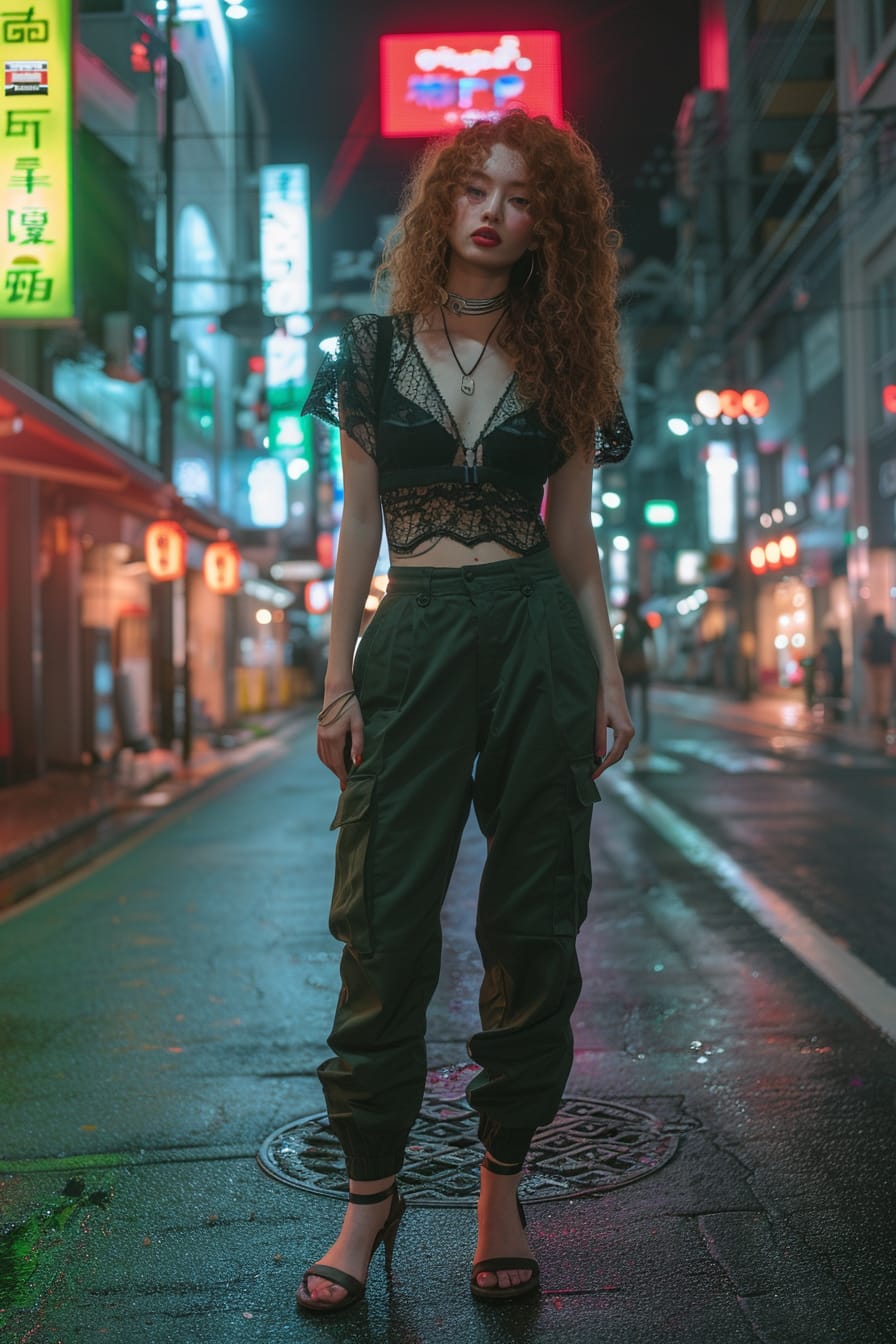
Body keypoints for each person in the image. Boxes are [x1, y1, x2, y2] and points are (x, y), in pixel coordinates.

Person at [295, 109, 634, 1313]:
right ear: (442, 202)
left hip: (536, 630)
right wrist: (335, 677)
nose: (494, 211)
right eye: (476, 189)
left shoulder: (567, 354)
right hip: (415, 637)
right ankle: (369, 1196)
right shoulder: (371, 349)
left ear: (550, 226)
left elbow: (575, 541)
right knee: (382, 921)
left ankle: (499, 1184)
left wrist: (605, 669)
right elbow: (353, 529)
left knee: (534, 912)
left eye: (522, 196)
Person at [618, 592, 653, 746]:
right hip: (634, 667)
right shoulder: (629, 625)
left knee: (637, 705)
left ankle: (640, 738)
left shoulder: (635, 624)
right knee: (632, 705)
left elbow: (622, 648)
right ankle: (633, 736)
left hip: (636, 667)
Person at [861, 613, 895, 730]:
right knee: (885, 691)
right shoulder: (889, 634)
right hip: (886, 666)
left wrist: (865, 660)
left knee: (874, 691)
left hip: (873, 666)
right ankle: (883, 714)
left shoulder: (871, 633)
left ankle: (876, 713)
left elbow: (866, 648)